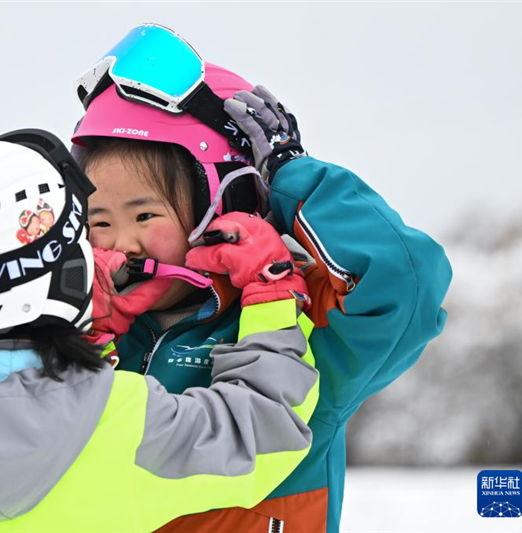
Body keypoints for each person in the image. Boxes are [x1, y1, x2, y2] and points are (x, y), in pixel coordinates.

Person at [70, 24, 453, 533]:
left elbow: (404, 283)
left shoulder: (305, 328)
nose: (121, 244)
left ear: (223, 204)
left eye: (144, 217)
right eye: (100, 221)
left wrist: (294, 176)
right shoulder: (74, 334)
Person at [0, 129, 320, 532]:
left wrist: (87, 345)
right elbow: (263, 430)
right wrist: (271, 293)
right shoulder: (120, 425)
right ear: (69, 276)